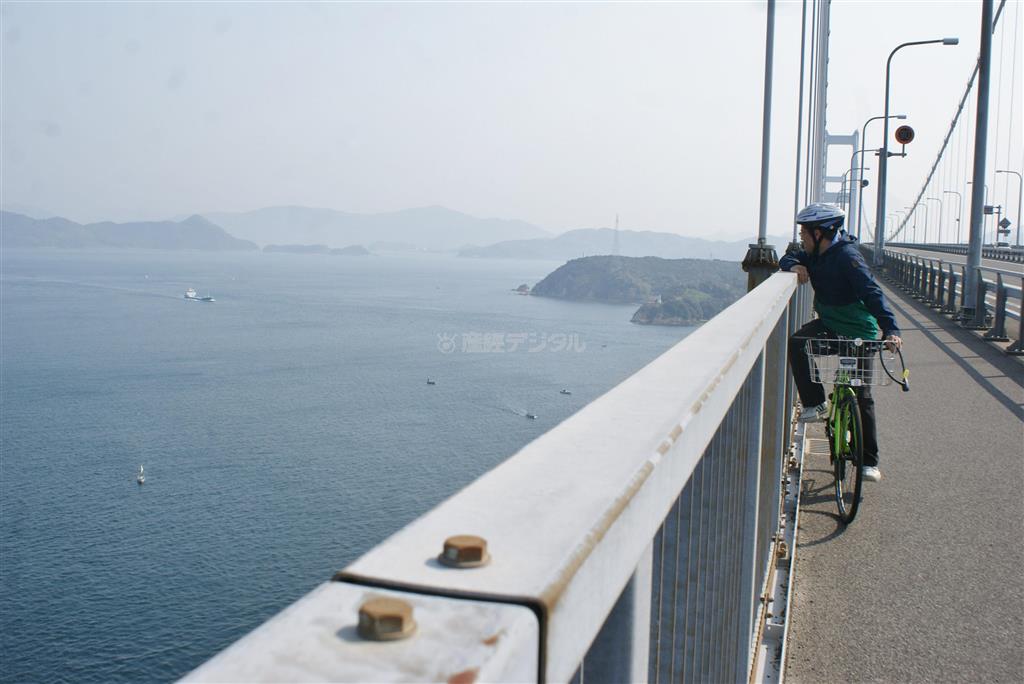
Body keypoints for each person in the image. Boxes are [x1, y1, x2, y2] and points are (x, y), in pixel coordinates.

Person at [780, 203, 902, 483]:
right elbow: (787, 257)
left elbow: (872, 292)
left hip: (859, 331)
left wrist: (891, 329)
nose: (801, 238)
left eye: (804, 233)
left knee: (863, 396)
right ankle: (816, 403)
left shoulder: (848, 257)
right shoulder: (815, 254)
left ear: (819, 233)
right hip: (830, 325)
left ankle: (869, 462)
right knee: (799, 343)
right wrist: (794, 265)